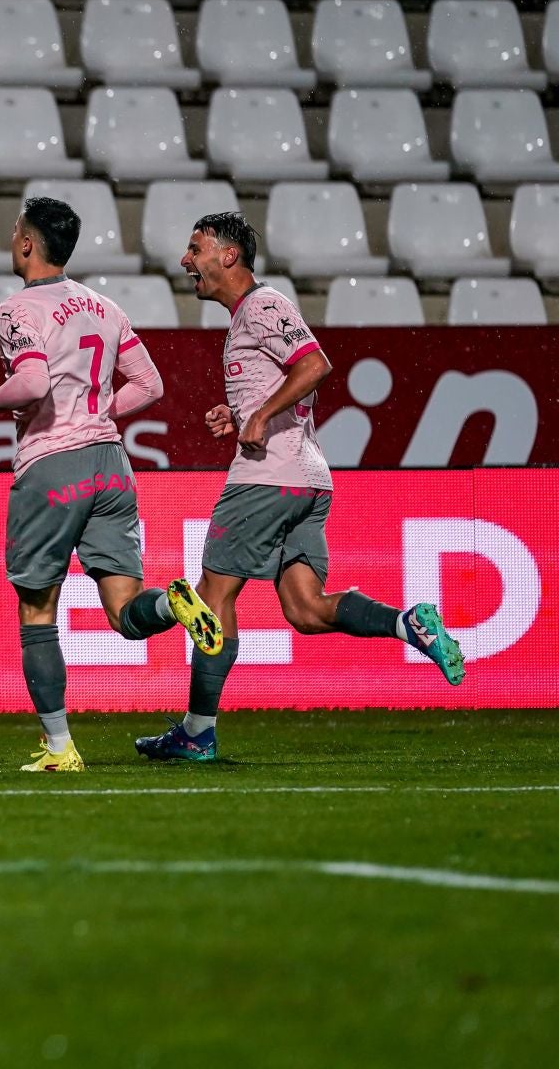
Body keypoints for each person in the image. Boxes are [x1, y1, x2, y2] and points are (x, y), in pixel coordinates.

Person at [135, 212, 465, 763]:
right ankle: (406, 624)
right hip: (308, 481)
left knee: (212, 601)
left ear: (228, 256)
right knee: (307, 611)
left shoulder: (262, 307)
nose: (185, 261)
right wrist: (238, 413)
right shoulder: (247, 318)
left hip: (267, 481)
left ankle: (196, 732)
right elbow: (287, 381)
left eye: (195, 249)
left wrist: (259, 416)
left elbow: (314, 365)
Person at [0, 196, 223, 774]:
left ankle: (60, 750)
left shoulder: (15, 310)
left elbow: (29, 383)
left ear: (27, 244)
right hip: (111, 463)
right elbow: (149, 385)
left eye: (14, 235)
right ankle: (174, 607)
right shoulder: (104, 306)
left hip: (52, 467)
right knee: (127, 612)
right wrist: (96, 410)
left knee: (36, 612)